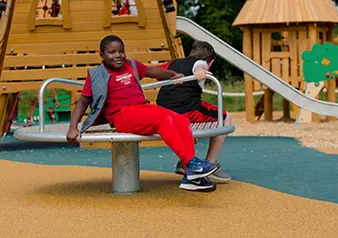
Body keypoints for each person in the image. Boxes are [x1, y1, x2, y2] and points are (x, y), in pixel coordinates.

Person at [66, 35, 219, 191]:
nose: (118, 55)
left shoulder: (131, 65)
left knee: (181, 120)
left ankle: (191, 178)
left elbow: (152, 71)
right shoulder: (96, 75)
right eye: (112, 52)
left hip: (141, 108)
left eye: (121, 51)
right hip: (121, 115)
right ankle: (192, 164)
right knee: (162, 119)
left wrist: (172, 75)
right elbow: (83, 102)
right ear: (102, 55)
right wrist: (73, 127)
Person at [156, 40, 233, 181]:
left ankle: (184, 162)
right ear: (211, 63)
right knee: (226, 117)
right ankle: (210, 163)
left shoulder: (174, 63)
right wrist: (200, 70)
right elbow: (199, 64)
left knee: (186, 123)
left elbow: (159, 72)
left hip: (163, 109)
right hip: (186, 108)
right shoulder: (201, 63)